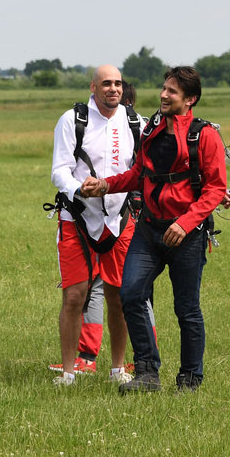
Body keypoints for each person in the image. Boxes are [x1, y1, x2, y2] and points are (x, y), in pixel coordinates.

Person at [82, 66, 228, 393]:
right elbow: (139, 174)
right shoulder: (151, 129)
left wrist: (186, 222)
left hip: (186, 236)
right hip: (148, 230)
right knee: (131, 293)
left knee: (186, 309)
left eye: (172, 91)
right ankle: (147, 373)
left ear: (190, 99)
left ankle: (190, 379)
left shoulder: (204, 135)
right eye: (164, 88)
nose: (163, 94)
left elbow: (216, 188)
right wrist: (106, 184)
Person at [51, 80, 156, 378]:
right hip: (77, 217)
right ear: (94, 86)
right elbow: (59, 169)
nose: (113, 89)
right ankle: (69, 373)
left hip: (120, 220)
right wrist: (78, 190)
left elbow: (151, 169)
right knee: (75, 295)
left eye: (118, 84)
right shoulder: (73, 120)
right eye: (107, 83)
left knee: (119, 296)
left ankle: (117, 368)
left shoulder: (137, 123)